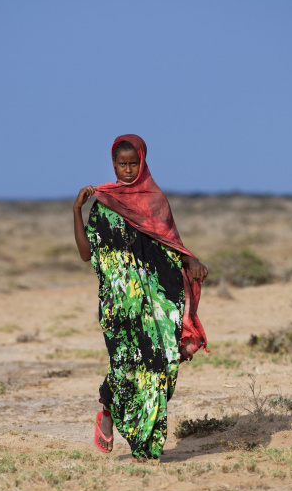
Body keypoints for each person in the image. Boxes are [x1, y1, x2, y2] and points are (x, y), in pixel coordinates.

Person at [73, 134, 208, 461]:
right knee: (126, 365)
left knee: (161, 363)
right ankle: (130, 431)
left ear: (143, 161)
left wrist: (190, 259)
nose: (129, 170)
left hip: (157, 299)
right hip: (120, 302)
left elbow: (170, 242)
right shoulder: (102, 203)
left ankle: (137, 433)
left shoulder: (155, 199)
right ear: (113, 163)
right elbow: (85, 253)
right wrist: (76, 210)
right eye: (122, 164)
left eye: (134, 163)